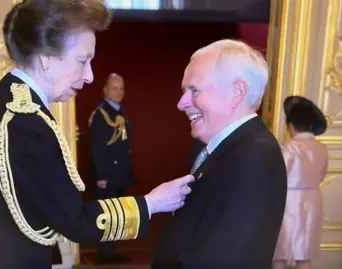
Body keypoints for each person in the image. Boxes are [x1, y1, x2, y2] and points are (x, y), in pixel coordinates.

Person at [0, 1, 193, 269]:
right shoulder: (26, 123)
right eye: (83, 61)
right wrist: (152, 203)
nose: (89, 76)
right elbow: (76, 223)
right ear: (46, 57)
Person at [151, 39, 287, 269]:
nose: (181, 103)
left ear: (236, 92)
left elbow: (224, 258)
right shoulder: (230, 149)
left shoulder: (253, 157)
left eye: (194, 90)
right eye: (184, 91)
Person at [272, 96, 329, 269]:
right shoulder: (322, 148)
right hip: (313, 201)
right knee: (304, 256)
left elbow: (278, 176)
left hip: (288, 202)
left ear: (290, 126)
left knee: (279, 255)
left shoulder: (289, 147)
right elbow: (321, 175)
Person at [89, 73, 134, 263]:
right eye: (114, 88)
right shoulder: (101, 114)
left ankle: (112, 250)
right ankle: (105, 252)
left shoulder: (119, 112)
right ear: (105, 90)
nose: (119, 92)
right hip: (108, 174)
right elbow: (97, 146)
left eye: (121, 88)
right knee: (107, 213)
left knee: (118, 212)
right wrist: (101, 174)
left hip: (119, 173)